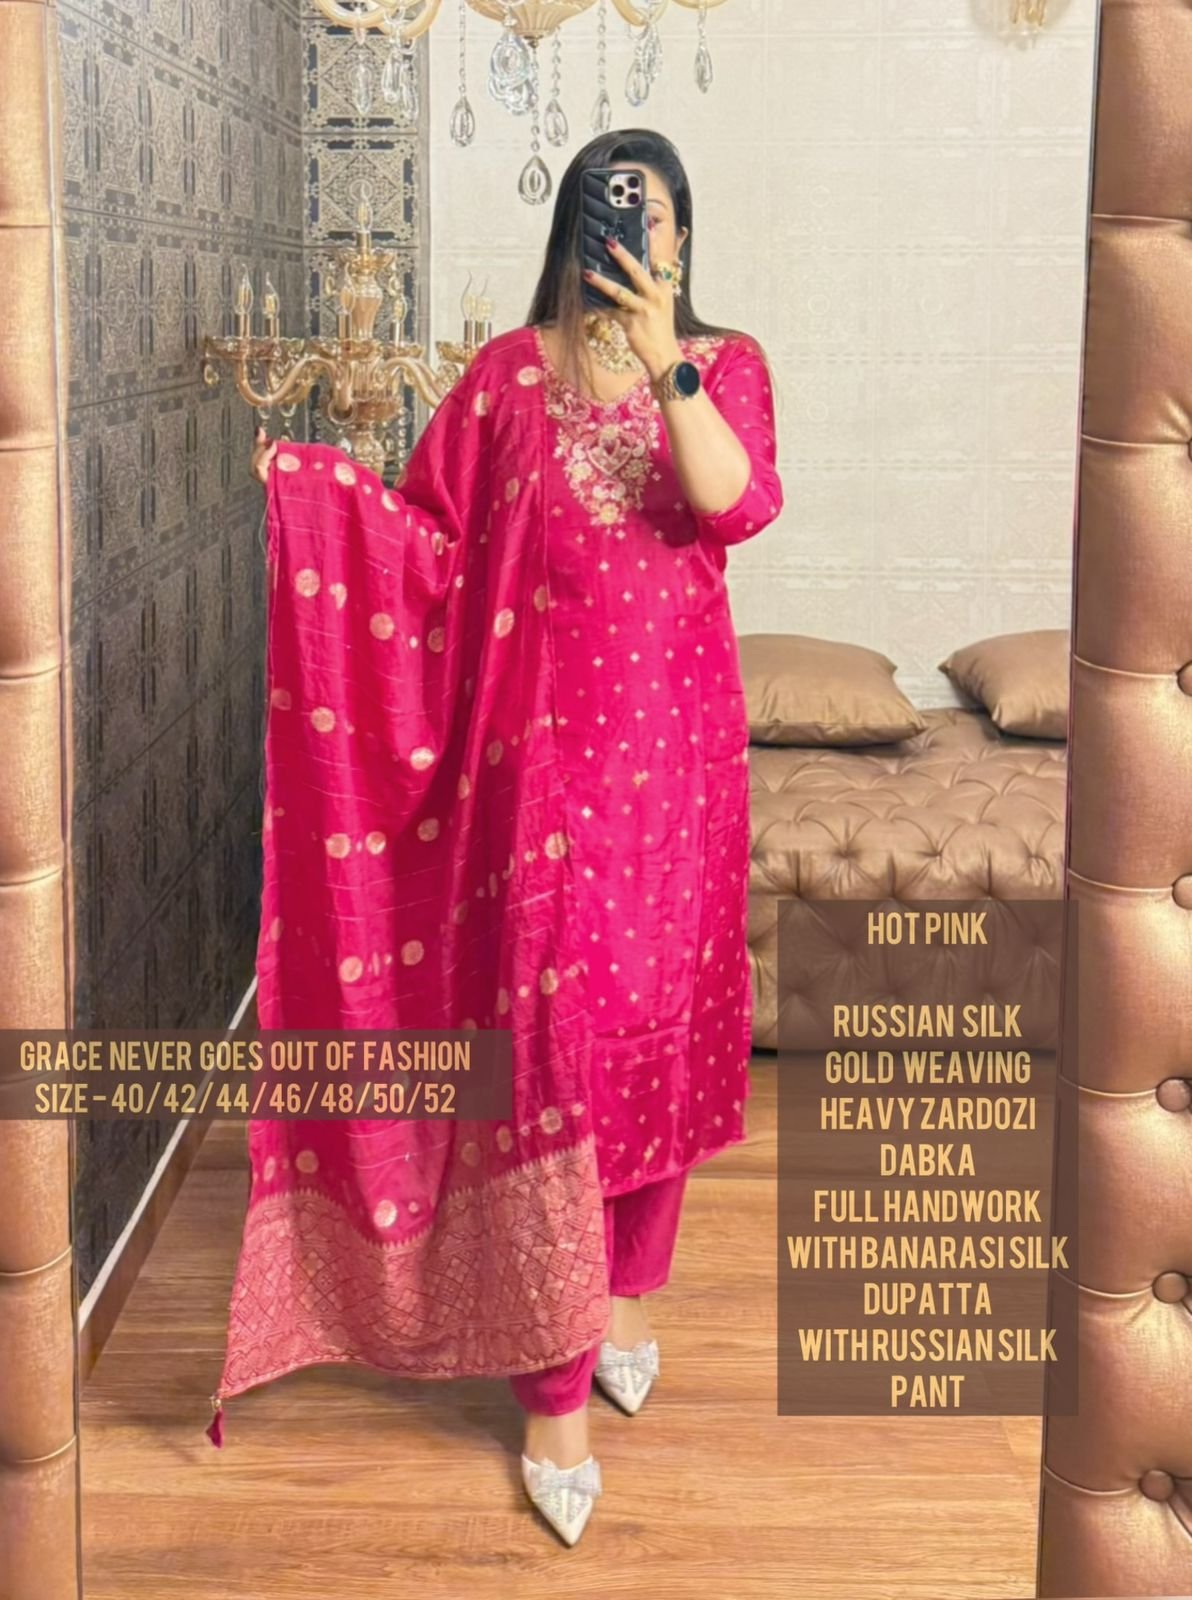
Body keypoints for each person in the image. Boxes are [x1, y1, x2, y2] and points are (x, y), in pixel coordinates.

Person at [221, 129, 782, 1548]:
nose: (635, 237)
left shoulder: (726, 367)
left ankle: (627, 1304)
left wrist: (667, 361)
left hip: (685, 780)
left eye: (657, 216)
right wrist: (317, 495)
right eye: (612, 212)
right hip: (540, 788)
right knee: (552, 1073)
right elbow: (423, 541)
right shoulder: (505, 382)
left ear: (684, 234)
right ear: (575, 229)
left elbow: (735, 506)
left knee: (659, 1045)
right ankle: (552, 1402)